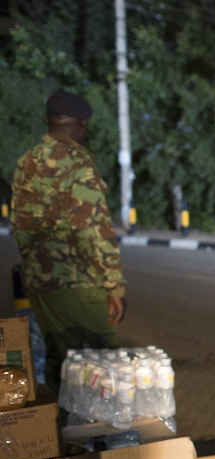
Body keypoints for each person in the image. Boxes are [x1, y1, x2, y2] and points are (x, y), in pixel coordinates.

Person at [11, 90, 128, 388]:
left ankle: (62, 433)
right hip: (77, 282)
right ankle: (93, 434)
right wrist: (114, 284)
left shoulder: (27, 162)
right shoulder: (77, 162)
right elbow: (93, 230)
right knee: (102, 369)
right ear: (80, 124)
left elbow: (21, 225)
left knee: (61, 365)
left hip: (40, 284)